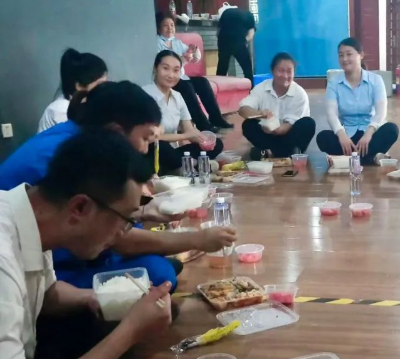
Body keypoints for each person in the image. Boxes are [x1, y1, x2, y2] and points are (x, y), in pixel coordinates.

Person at [0, 129, 172, 359]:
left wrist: (98, 299)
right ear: (80, 207)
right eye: (124, 220)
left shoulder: (27, 214)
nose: (123, 233)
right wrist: (130, 332)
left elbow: (47, 295)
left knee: (97, 327)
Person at [0, 81, 236, 291]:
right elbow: (114, 238)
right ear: (115, 131)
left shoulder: (75, 140)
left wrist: (142, 210)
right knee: (157, 275)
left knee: (156, 269)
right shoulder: (73, 155)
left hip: (52, 259)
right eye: (145, 138)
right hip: (48, 267)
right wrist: (197, 239)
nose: (145, 149)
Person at [316, 38, 399, 165]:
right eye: (341, 55)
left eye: (349, 54)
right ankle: (369, 157)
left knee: (392, 129)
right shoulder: (334, 83)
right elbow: (331, 113)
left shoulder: (376, 80)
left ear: (361, 55)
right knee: (322, 137)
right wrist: (341, 135)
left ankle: (349, 159)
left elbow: (381, 112)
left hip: (370, 135)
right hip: (347, 137)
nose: (344, 59)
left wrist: (369, 133)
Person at [144, 50, 225, 175]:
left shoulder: (178, 96)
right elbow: (149, 137)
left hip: (172, 153)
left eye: (176, 70)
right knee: (159, 146)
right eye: (165, 68)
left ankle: (183, 166)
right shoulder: (145, 94)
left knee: (217, 144)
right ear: (155, 68)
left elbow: (189, 130)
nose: (171, 75)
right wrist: (184, 136)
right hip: (151, 150)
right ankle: (191, 165)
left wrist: (203, 139)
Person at [156, 12, 231, 131]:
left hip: (181, 78)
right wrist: (182, 60)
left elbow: (195, 58)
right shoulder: (156, 43)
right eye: (165, 25)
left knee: (202, 82)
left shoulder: (176, 42)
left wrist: (194, 50)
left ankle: (216, 118)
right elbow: (164, 65)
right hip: (166, 80)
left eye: (172, 25)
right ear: (159, 28)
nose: (170, 28)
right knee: (186, 87)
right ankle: (203, 125)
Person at [239, 52, 316, 159]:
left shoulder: (299, 94)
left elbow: (287, 126)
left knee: (308, 124)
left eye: (289, 71)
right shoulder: (261, 88)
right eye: (280, 70)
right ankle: (285, 152)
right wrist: (259, 114)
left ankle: (269, 152)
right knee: (248, 124)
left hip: (289, 136)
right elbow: (243, 109)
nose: (285, 76)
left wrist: (275, 129)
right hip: (268, 137)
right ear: (272, 71)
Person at [37, 48, 107, 133]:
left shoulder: (83, 104)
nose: (105, 88)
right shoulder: (61, 109)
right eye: (100, 84)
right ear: (79, 86)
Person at [216, 8, 256, 85]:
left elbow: (218, 32)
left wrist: (221, 44)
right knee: (247, 69)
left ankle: (218, 88)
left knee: (222, 68)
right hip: (238, 42)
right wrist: (244, 41)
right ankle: (251, 89)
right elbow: (250, 35)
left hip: (224, 40)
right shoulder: (250, 16)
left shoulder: (226, 12)